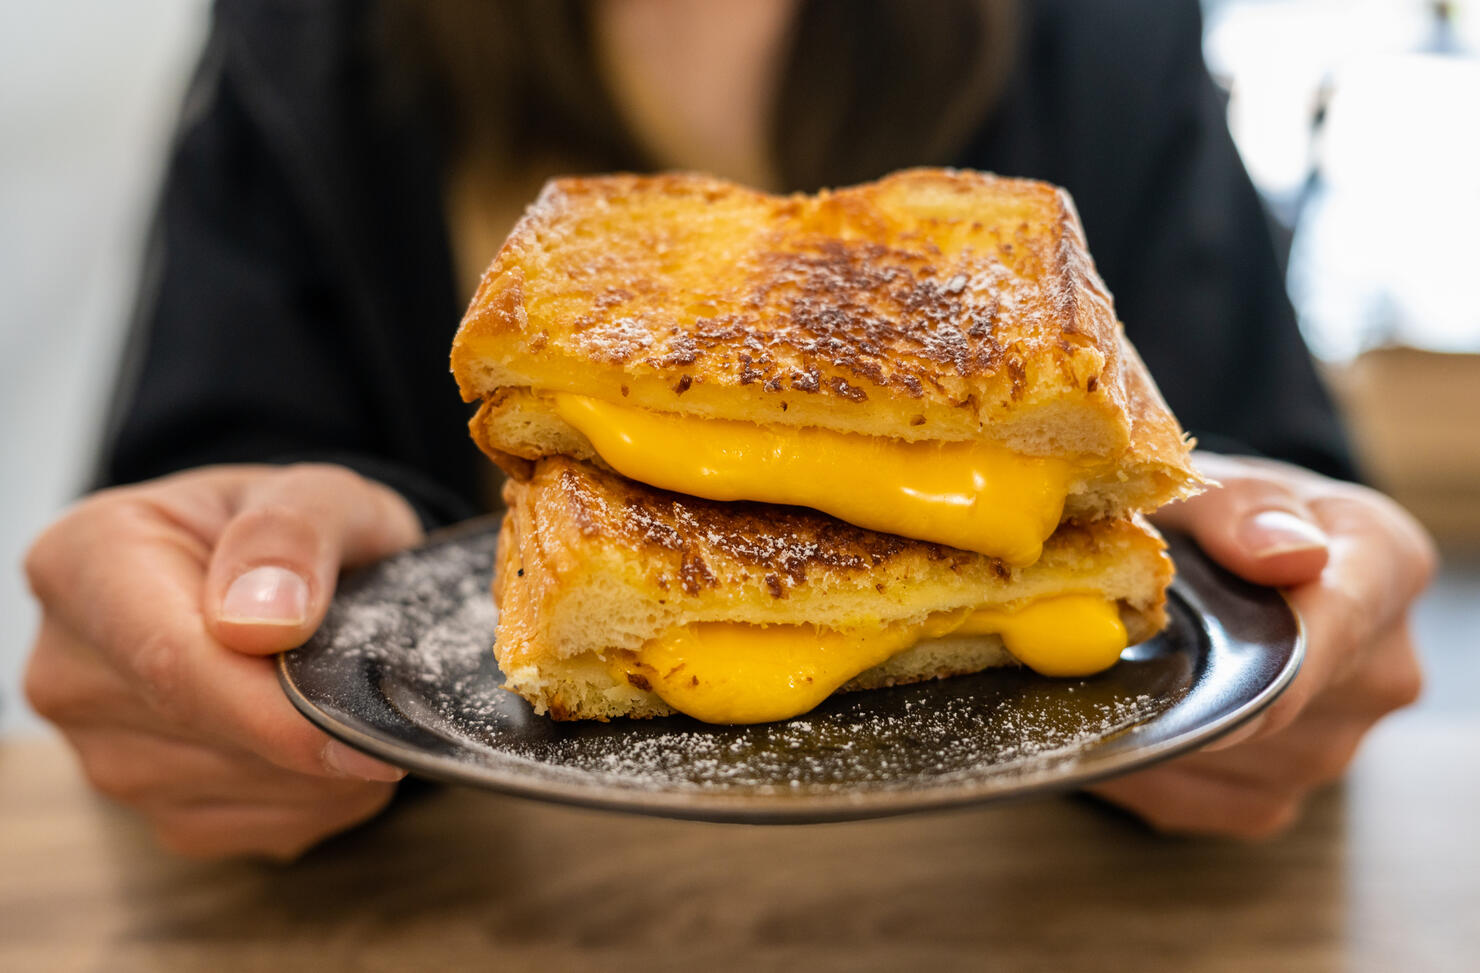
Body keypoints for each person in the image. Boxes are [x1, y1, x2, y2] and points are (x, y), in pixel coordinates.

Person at [22, 0, 1434, 860]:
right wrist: (213, 621)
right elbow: (202, 476)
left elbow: (1260, 467)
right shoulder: (303, 32)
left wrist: (1306, 598)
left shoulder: (1111, 29)